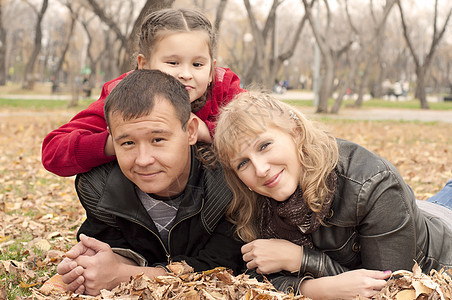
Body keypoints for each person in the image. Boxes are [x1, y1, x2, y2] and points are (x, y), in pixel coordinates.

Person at [213, 91, 452, 299]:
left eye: (264, 145)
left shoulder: (371, 183)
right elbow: (254, 283)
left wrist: (300, 260)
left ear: (295, 131)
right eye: (243, 163)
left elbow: (390, 289)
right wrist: (317, 288)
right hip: (415, 212)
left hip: (439, 244)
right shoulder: (253, 201)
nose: (261, 169)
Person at [56, 69, 244, 296]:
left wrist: (122, 275)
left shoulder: (226, 184)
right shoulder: (99, 186)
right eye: (127, 143)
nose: (143, 160)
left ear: (191, 131)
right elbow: (115, 245)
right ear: (111, 138)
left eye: (158, 139)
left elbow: (222, 265)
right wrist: (87, 266)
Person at [42, 8, 245, 177]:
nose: (185, 74)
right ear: (144, 64)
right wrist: (123, 142)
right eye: (173, 63)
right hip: (141, 195)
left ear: (211, 69)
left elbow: (264, 133)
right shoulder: (122, 95)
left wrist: (207, 131)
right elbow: (53, 152)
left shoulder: (223, 88)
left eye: (198, 64)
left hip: (214, 201)